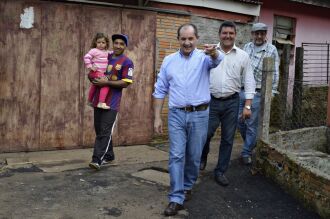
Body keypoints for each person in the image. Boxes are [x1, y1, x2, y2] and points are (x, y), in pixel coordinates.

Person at [153, 23, 223, 217]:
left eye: (190, 38)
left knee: (193, 156)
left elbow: (218, 60)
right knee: (176, 155)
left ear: (196, 39)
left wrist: (214, 52)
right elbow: (160, 90)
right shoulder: (168, 61)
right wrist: (157, 117)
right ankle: (176, 198)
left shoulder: (204, 58)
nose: (187, 42)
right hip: (176, 114)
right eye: (183, 39)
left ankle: (187, 185)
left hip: (200, 114)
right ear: (178, 39)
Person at [199, 21, 256, 186]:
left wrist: (247, 106)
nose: (228, 36)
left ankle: (220, 171)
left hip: (232, 102)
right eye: (225, 33)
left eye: (231, 33)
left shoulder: (243, 56)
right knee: (205, 134)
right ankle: (203, 156)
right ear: (219, 34)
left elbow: (249, 81)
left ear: (235, 35)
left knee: (228, 139)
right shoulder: (209, 53)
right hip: (211, 101)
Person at [88, 34, 134, 170]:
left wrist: (107, 82)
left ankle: (97, 160)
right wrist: (92, 76)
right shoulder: (104, 56)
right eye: (116, 43)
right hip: (98, 100)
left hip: (112, 102)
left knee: (105, 131)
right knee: (99, 129)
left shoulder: (127, 62)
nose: (118, 46)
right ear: (112, 44)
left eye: (122, 44)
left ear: (125, 46)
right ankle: (109, 155)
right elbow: (93, 70)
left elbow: (126, 83)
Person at [238, 22, 279, 165]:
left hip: (257, 93)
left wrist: (272, 92)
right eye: (256, 33)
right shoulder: (247, 47)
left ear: (265, 34)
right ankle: (251, 143)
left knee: (251, 124)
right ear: (252, 34)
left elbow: (275, 73)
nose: (259, 36)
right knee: (239, 121)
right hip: (241, 90)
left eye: (262, 33)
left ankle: (246, 152)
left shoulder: (271, 49)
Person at [84, 33, 112, 109]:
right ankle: (101, 102)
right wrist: (90, 66)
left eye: (103, 42)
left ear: (106, 44)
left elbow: (111, 54)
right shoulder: (94, 50)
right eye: (99, 42)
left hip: (100, 73)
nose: (101, 44)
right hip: (95, 72)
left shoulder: (106, 52)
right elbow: (86, 57)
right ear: (95, 42)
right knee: (105, 83)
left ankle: (89, 101)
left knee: (95, 85)